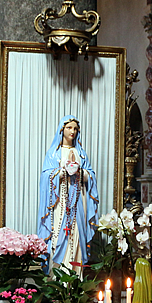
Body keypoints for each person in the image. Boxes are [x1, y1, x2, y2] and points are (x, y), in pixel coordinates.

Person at [37, 115, 98, 273]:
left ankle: (76, 280)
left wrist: (81, 172)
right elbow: (45, 177)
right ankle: (57, 280)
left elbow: (90, 175)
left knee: (77, 236)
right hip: (60, 203)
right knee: (58, 236)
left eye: (75, 128)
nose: (73, 131)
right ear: (62, 129)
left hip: (78, 201)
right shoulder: (53, 153)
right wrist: (62, 172)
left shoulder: (81, 153)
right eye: (69, 127)